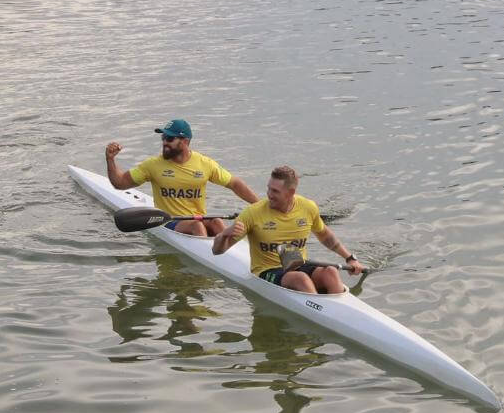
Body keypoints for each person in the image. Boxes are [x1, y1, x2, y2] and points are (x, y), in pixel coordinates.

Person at [212, 165, 365, 294]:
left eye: (275, 191)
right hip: (266, 272)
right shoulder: (252, 213)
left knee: (331, 271)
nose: (269, 195)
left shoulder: (308, 207)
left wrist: (349, 258)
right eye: (269, 189)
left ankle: (338, 311)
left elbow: (325, 236)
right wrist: (225, 234)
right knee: (301, 279)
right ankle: (320, 314)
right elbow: (217, 251)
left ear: (291, 193)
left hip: (297, 263)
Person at [105, 118, 258, 236]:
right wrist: (110, 159)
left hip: (197, 219)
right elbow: (120, 183)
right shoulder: (152, 165)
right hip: (167, 222)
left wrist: (261, 206)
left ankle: (226, 251)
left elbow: (235, 183)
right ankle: (209, 255)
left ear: (185, 141)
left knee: (216, 221)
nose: (165, 142)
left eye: (170, 139)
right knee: (197, 225)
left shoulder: (205, 164)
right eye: (163, 137)